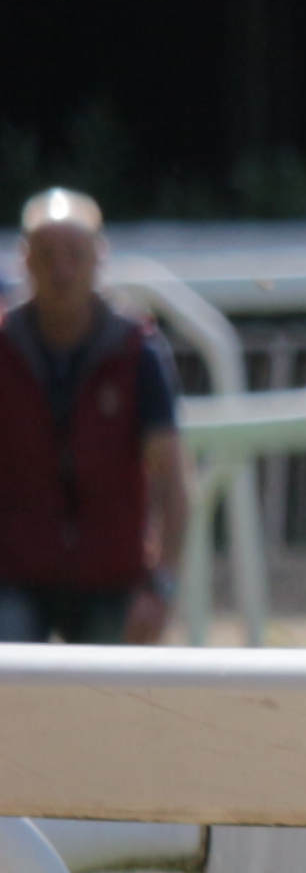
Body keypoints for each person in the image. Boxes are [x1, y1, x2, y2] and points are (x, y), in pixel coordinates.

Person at [3, 191, 188, 646]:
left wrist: (161, 587)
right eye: (46, 256)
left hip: (112, 577)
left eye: (75, 255)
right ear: (25, 262)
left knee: (113, 710)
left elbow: (173, 480)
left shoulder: (136, 352)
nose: (61, 270)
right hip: (14, 575)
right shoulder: (3, 349)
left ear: (98, 258)